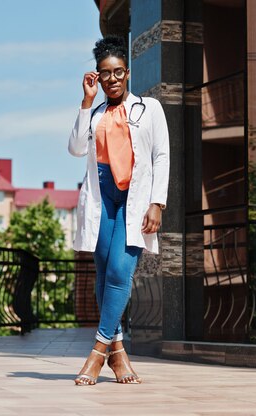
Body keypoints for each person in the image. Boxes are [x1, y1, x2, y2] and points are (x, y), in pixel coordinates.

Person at [68, 35, 169, 385]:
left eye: (117, 72)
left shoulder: (149, 108)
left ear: (127, 72)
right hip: (102, 200)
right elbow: (76, 148)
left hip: (134, 199)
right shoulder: (95, 113)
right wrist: (86, 101)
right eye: (104, 74)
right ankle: (118, 354)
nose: (111, 79)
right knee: (103, 272)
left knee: (120, 273)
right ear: (97, 76)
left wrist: (157, 201)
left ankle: (97, 353)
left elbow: (160, 155)